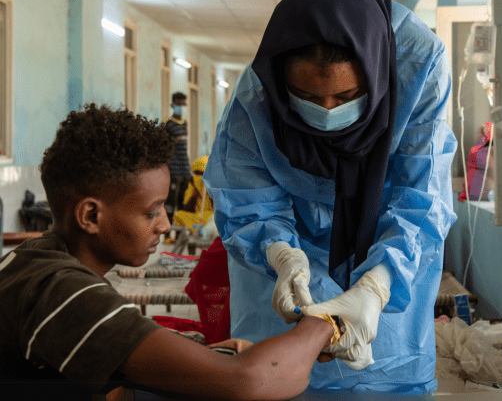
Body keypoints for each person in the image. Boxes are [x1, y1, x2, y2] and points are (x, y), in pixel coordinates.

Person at [204, 0, 457, 394]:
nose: (326, 112)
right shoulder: (256, 95)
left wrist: (376, 288)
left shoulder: (417, 67)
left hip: (388, 260)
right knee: (275, 375)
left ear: (376, 76)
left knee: (384, 373)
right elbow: (245, 201)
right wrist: (281, 255)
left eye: (346, 96)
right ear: (281, 80)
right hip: (280, 280)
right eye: (305, 96)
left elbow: (421, 197)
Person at [0, 104, 336, 400]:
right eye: (152, 211)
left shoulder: (37, 258)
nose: (164, 224)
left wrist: (204, 354)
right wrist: (326, 322)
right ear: (91, 216)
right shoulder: (61, 291)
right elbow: (252, 381)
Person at [164, 91, 190, 225]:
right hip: (173, 170)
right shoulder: (168, 124)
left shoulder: (184, 123)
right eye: (179, 104)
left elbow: (184, 148)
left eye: (183, 104)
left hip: (184, 169)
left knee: (182, 202)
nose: (181, 106)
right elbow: (164, 145)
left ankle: (180, 234)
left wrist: (188, 170)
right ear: (172, 105)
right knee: (170, 201)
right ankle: (168, 234)